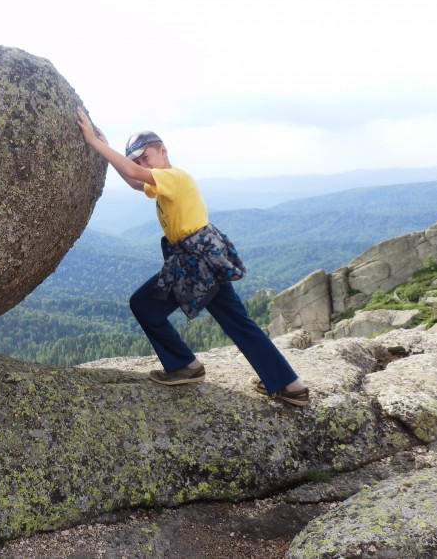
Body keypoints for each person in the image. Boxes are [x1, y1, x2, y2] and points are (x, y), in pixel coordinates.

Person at [76, 107, 309, 407]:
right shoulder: (164, 180)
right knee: (231, 319)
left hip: (196, 260)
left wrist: (97, 145)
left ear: (163, 150)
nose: (141, 164)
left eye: (145, 156)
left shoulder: (175, 177)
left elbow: (135, 174)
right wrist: (104, 150)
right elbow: (136, 181)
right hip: (197, 258)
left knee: (148, 306)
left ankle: (189, 366)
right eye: (138, 160)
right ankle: (285, 384)